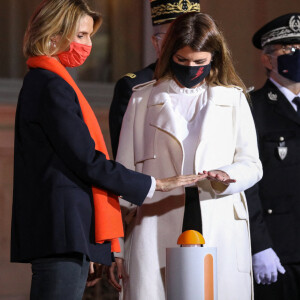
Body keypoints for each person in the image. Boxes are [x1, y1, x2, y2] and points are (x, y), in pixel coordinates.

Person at [10, 1, 206, 299]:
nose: (88, 45)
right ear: (52, 37)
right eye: (80, 36)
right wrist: (156, 183)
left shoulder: (48, 80)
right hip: (63, 231)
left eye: (90, 36)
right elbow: (86, 162)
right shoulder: (51, 84)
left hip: (67, 231)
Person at [108, 12, 263, 300]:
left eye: (200, 62)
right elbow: (123, 175)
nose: (191, 68)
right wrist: (116, 245)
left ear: (214, 58)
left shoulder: (233, 98)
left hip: (217, 214)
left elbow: (252, 164)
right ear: (169, 55)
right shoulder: (141, 98)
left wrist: (228, 175)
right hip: (156, 219)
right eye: (182, 61)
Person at [245, 13, 300, 300]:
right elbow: (247, 184)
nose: (298, 56)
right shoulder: (251, 108)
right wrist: (259, 245)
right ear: (268, 60)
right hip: (279, 252)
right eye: (290, 50)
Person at [109, 0, 200, 159]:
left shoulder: (216, 84)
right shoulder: (135, 86)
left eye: (191, 35)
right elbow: (125, 158)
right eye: (173, 36)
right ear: (156, 43)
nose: (184, 42)